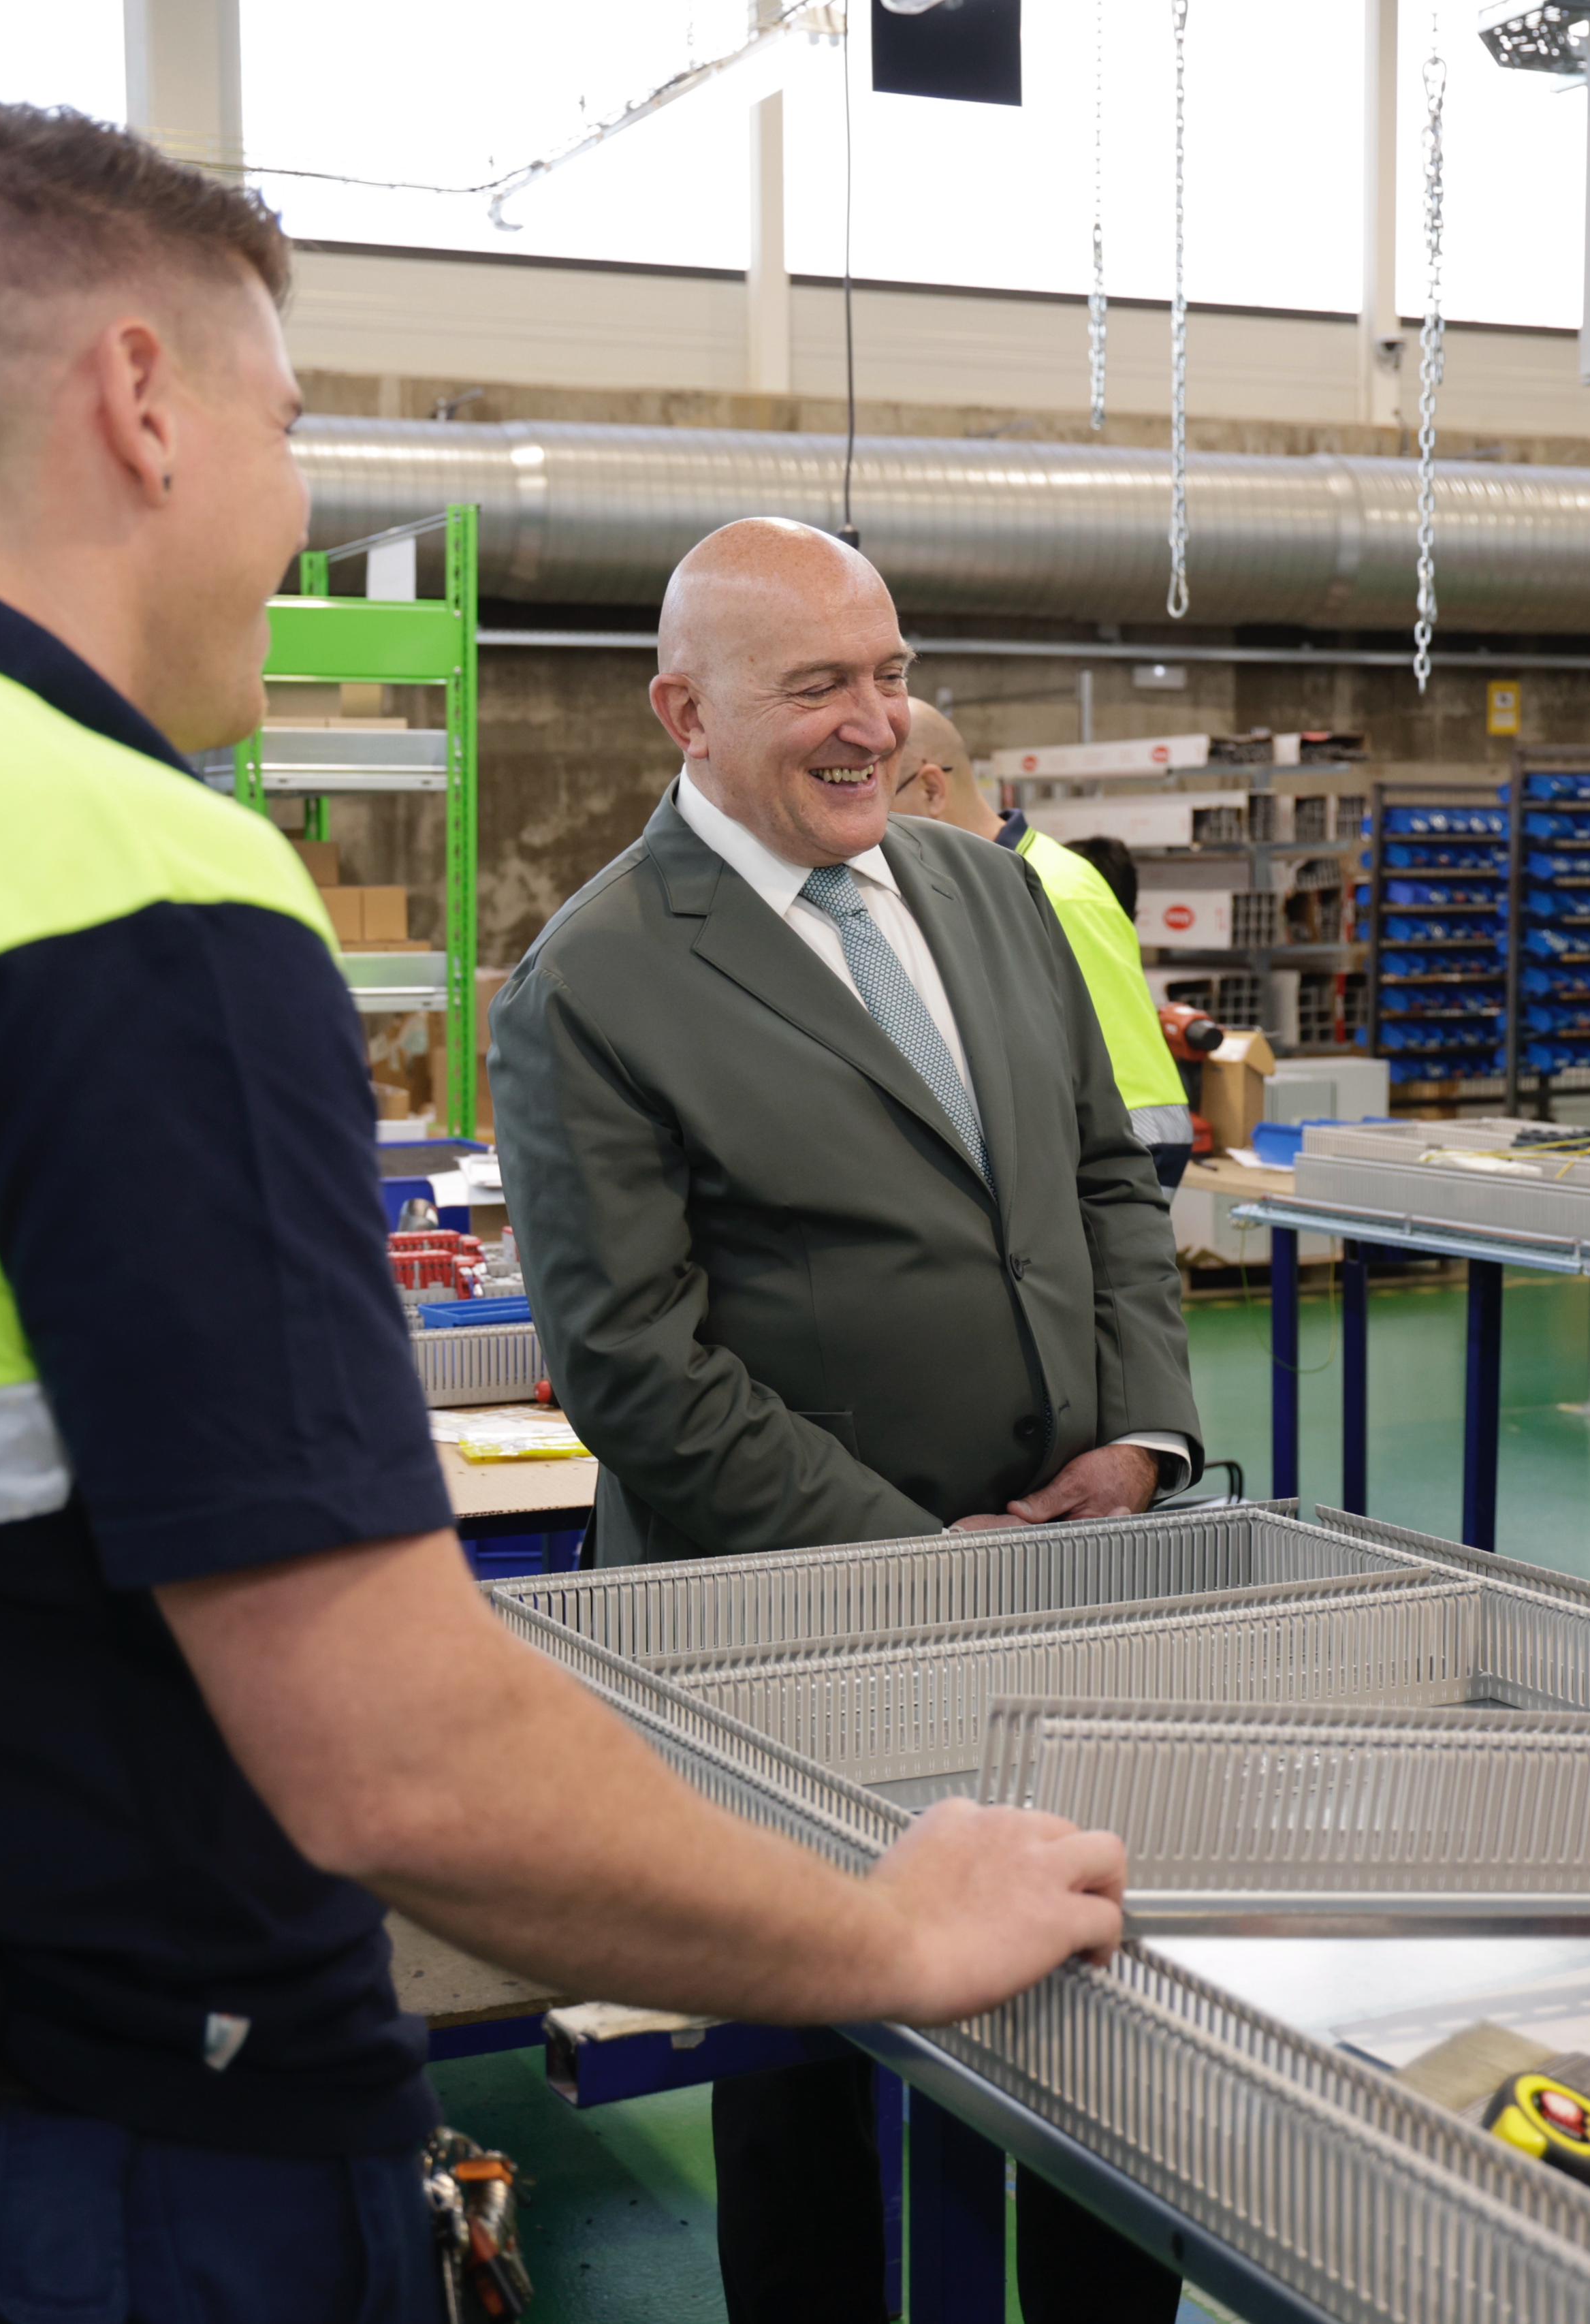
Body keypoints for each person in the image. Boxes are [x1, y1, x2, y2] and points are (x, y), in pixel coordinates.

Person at [0, 99, 1127, 2323]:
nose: (299, 507)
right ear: (142, 401)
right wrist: (888, 1932)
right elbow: (390, 1750)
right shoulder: (112, 871)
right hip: (131, 2152)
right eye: (292, 423)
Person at [489, 518, 1203, 2324]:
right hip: (796, 1627)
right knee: (806, 2082)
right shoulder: (593, 980)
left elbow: (1105, 1179)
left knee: (1097, 2022)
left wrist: (1139, 1435)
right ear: (687, 712)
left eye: (888, 675)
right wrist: (914, 1555)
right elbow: (635, 1367)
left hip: (1069, 1581)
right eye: (817, 685)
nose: (873, 722)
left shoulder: (989, 894)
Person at [885, 699, 1194, 1185]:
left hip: (1127, 1136)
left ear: (931, 788)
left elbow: (1086, 1046)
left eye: (880, 797)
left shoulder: (1053, 887)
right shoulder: (985, 883)